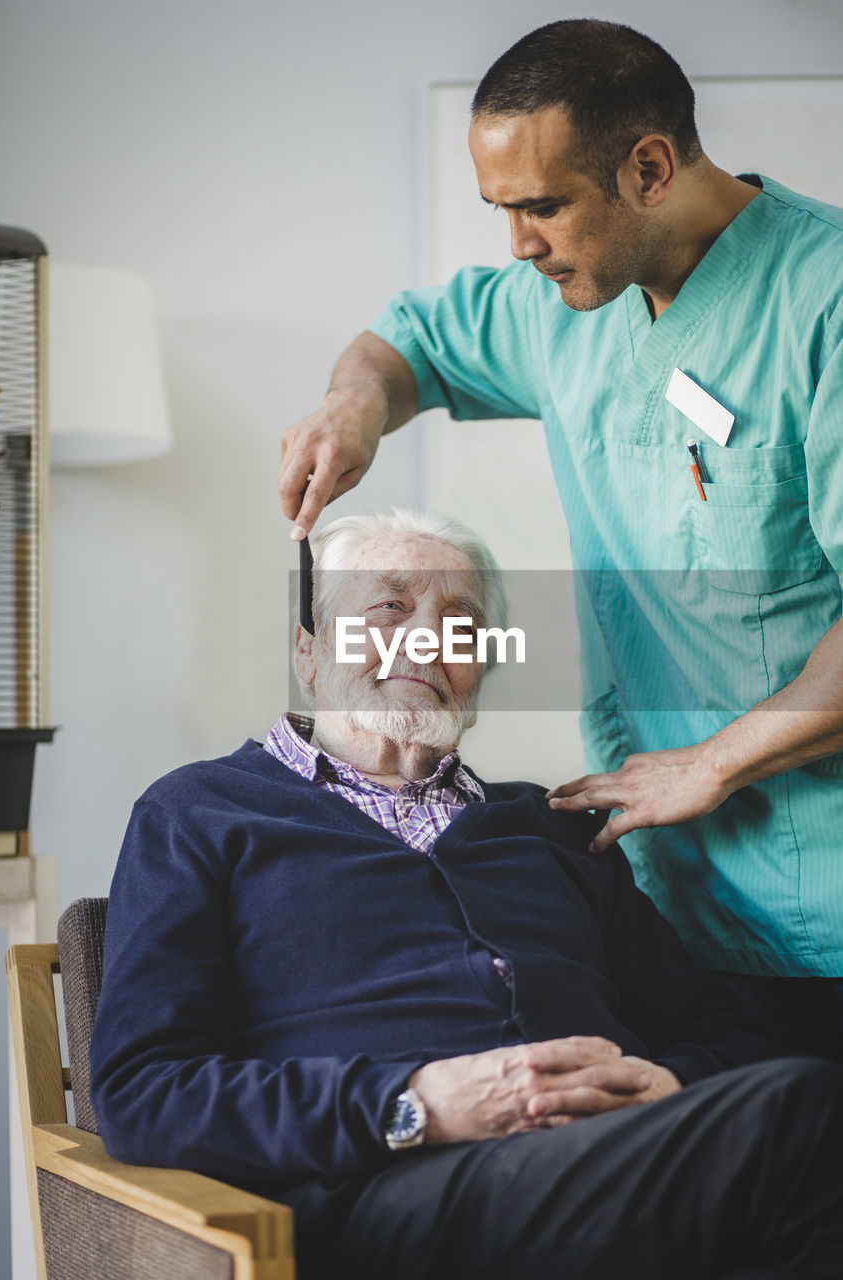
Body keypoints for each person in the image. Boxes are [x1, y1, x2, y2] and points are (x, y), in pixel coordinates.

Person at [91, 509, 843, 1280]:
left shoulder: (551, 828)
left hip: (609, 1165)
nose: (427, 639)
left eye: (461, 626)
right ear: (308, 652)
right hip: (376, 1201)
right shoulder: (200, 813)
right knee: (804, 1114)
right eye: (388, 607)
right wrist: (417, 1104)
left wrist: (671, 1083)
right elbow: (142, 1092)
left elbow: (731, 1031)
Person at [277, 19, 843, 1034]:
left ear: (650, 167)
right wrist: (351, 407)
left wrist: (710, 762)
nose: (519, 245)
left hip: (823, 906)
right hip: (662, 901)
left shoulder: (825, 304)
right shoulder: (565, 302)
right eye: (501, 210)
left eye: (543, 207)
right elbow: (404, 342)